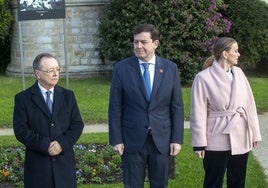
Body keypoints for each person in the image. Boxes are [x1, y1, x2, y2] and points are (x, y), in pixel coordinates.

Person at [108, 23, 184, 188]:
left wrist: (177, 139)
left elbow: (176, 107)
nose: (138, 46)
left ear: (155, 44)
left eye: (143, 42)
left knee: (160, 185)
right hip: (131, 140)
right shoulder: (122, 68)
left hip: (161, 140)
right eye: (136, 42)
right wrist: (116, 139)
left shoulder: (170, 68)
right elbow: (115, 107)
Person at [190, 37, 262, 188]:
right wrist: (199, 144)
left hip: (241, 135)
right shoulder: (203, 78)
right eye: (235, 51)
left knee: (238, 181)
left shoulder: (240, 73)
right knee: (213, 182)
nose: (239, 54)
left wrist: (255, 133)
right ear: (225, 54)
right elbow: (198, 113)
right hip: (215, 138)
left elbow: (250, 104)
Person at [13, 53, 84, 188]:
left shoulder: (68, 96)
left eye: (57, 69)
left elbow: (77, 125)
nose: (55, 74)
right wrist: (45, 145)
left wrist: (61, 144)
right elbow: (21, 130)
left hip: (64, 166)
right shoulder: (23, 99)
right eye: (50, 70)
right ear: (37, 73)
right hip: (38, 168)